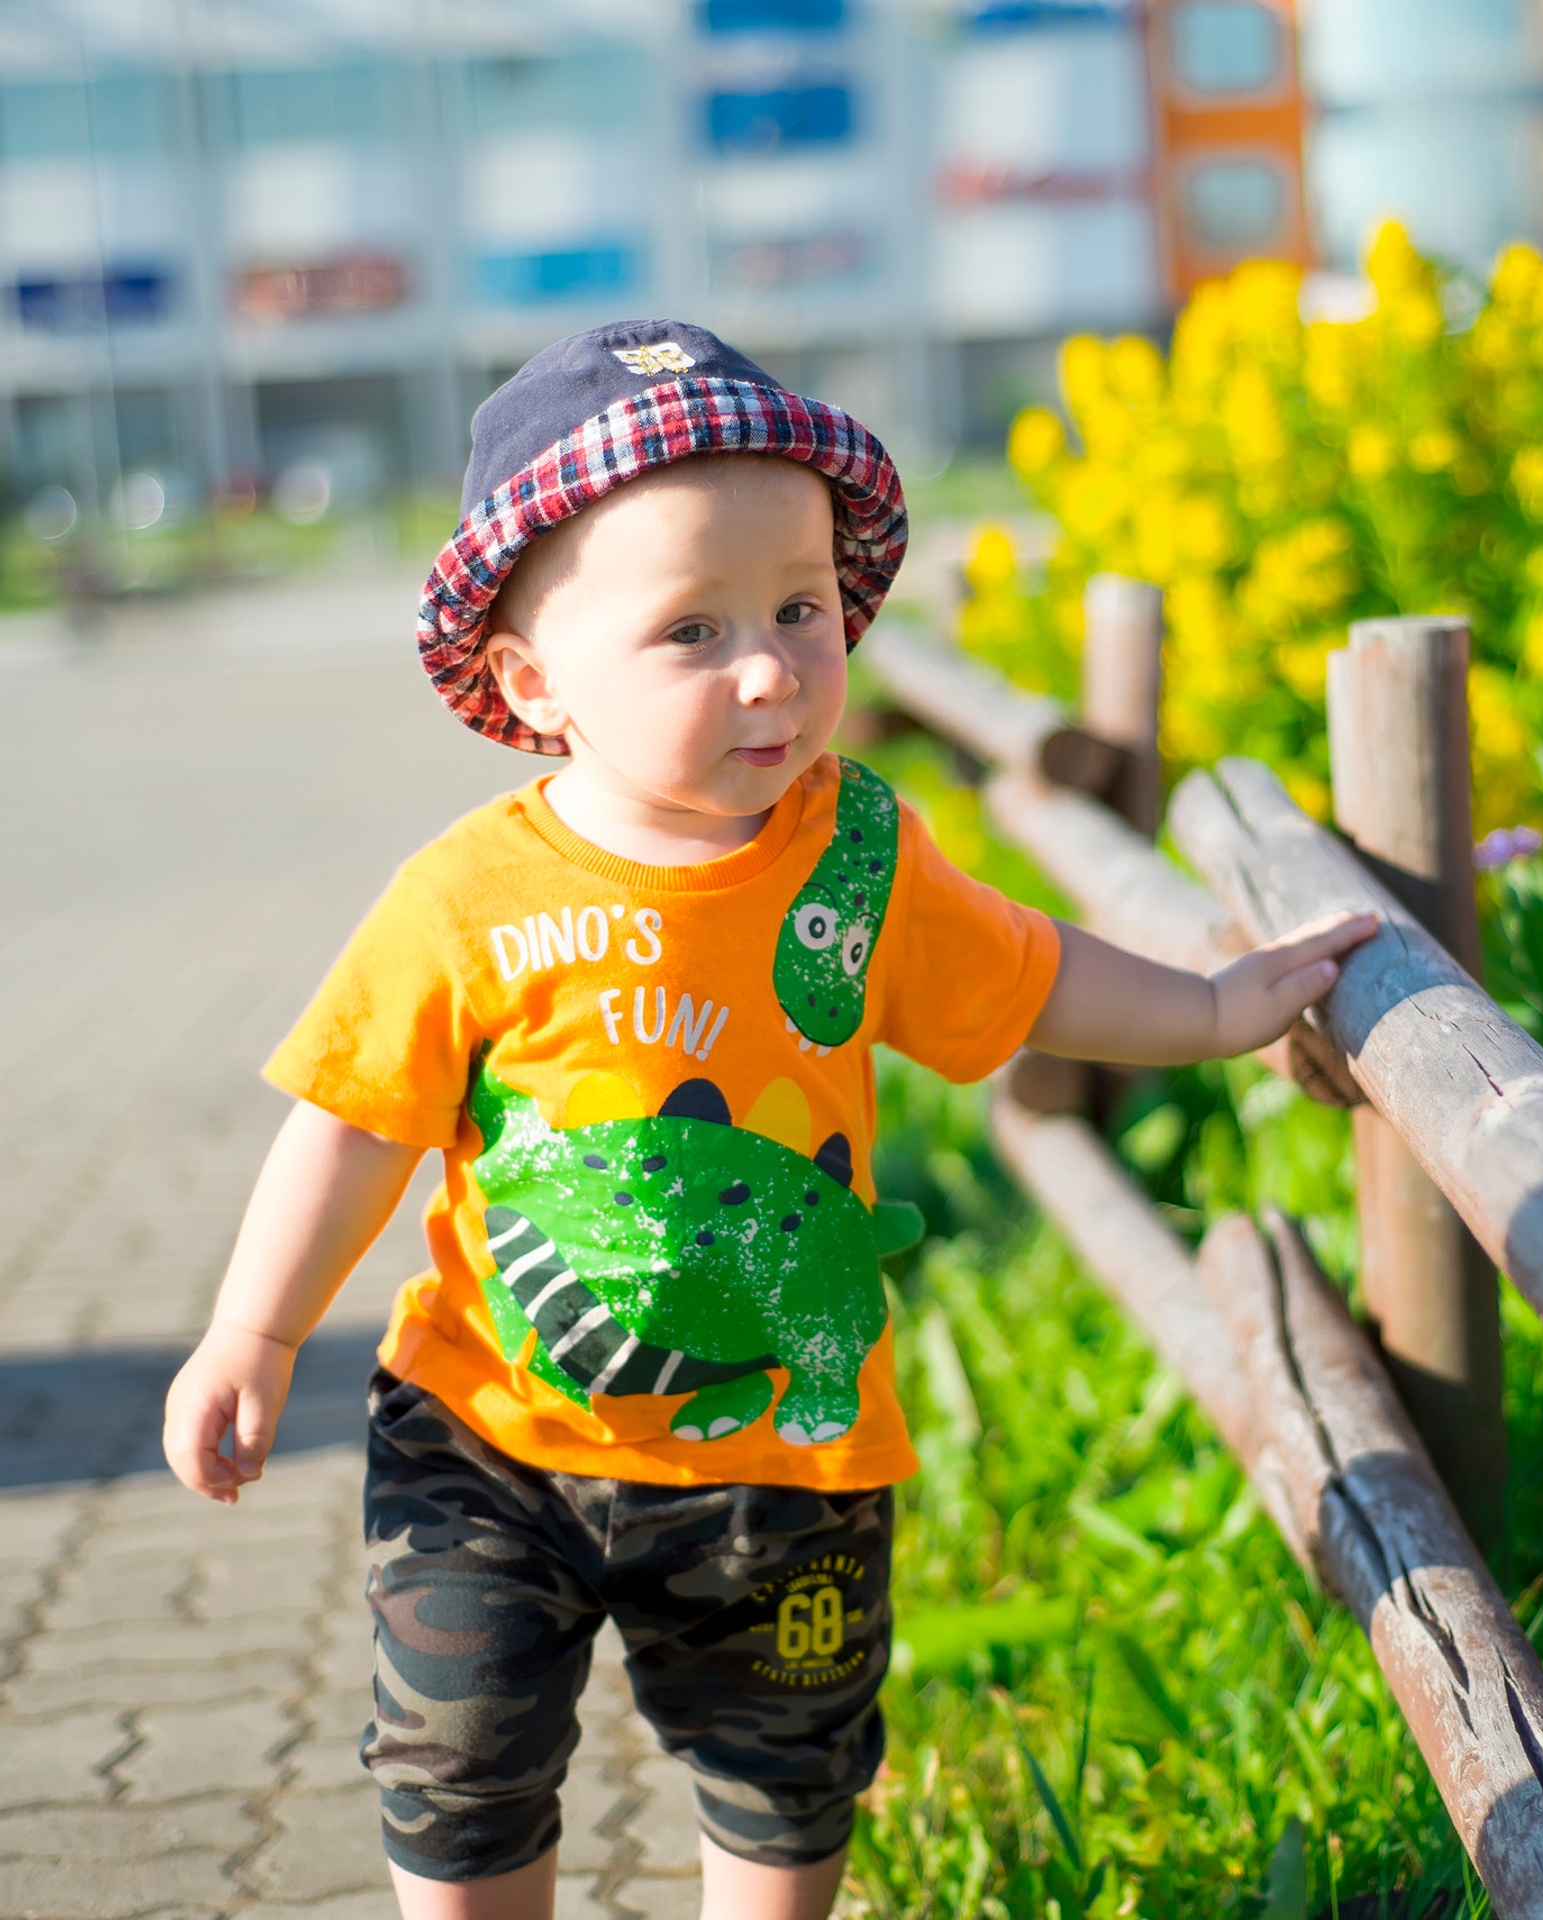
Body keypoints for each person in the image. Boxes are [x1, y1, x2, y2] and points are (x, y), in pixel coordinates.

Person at [162, 321, 1375, 1920]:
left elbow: (1027, 974)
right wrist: (253, 1333)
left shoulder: (851, 858)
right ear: (535, 683)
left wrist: (1216, 1011)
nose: (771, 669)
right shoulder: (465, 898)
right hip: (488, 1442)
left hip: (785, 1459)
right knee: (456, 1770)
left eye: (802, 610)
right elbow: (352, 1124)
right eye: (692, 631)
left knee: (786, 1784)